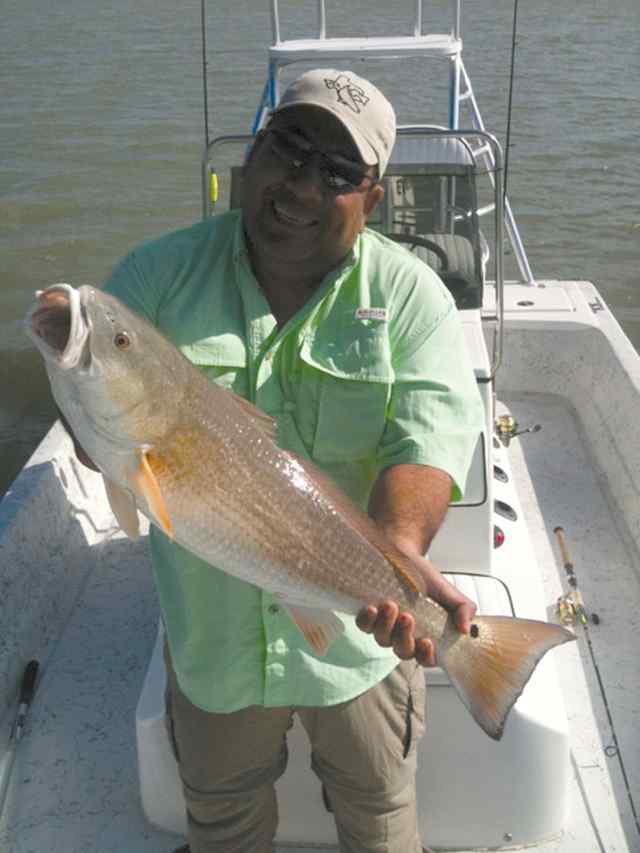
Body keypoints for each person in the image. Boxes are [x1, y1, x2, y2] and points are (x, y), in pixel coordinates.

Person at [66, 68, 485, 853]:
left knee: (380, 817)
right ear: (253, 153)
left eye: (337, 171)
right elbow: (101, 424)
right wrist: (82, 385)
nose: (301, 184)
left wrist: (396, 553)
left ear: (372, 199)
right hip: (214, 648)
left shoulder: (412, 297)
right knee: (222, 821)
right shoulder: (155, 276)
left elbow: (427, 439)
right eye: (288, 148)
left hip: (359, 646)